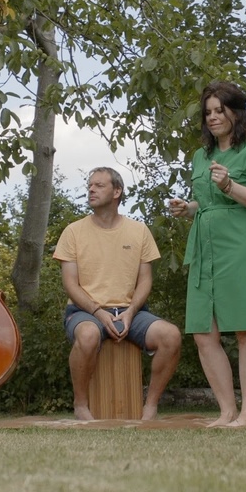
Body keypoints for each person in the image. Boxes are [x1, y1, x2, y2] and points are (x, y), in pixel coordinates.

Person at [168, 81, 246, 427]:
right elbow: (210, 200)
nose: (213, 117)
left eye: (220, 110)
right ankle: (227, 411)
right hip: (205, 249)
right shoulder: (202, 156)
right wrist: (190, 207)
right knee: (203, 333)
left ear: (236, 112)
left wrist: (230, 185)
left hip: (241, 248)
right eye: (208, 112)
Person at [54, 167, 183, 421]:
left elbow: (145, 281)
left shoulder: (139, 231)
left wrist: (131, 311)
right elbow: (70, 284)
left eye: (99, 185)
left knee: (171, 336)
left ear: (117, 191)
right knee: (89, 335)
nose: (91, 189)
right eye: (89, 185)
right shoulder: (73, 231)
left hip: (130, 312)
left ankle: (151, 406)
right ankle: (81, 405)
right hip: (85, 312)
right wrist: (98, 313)